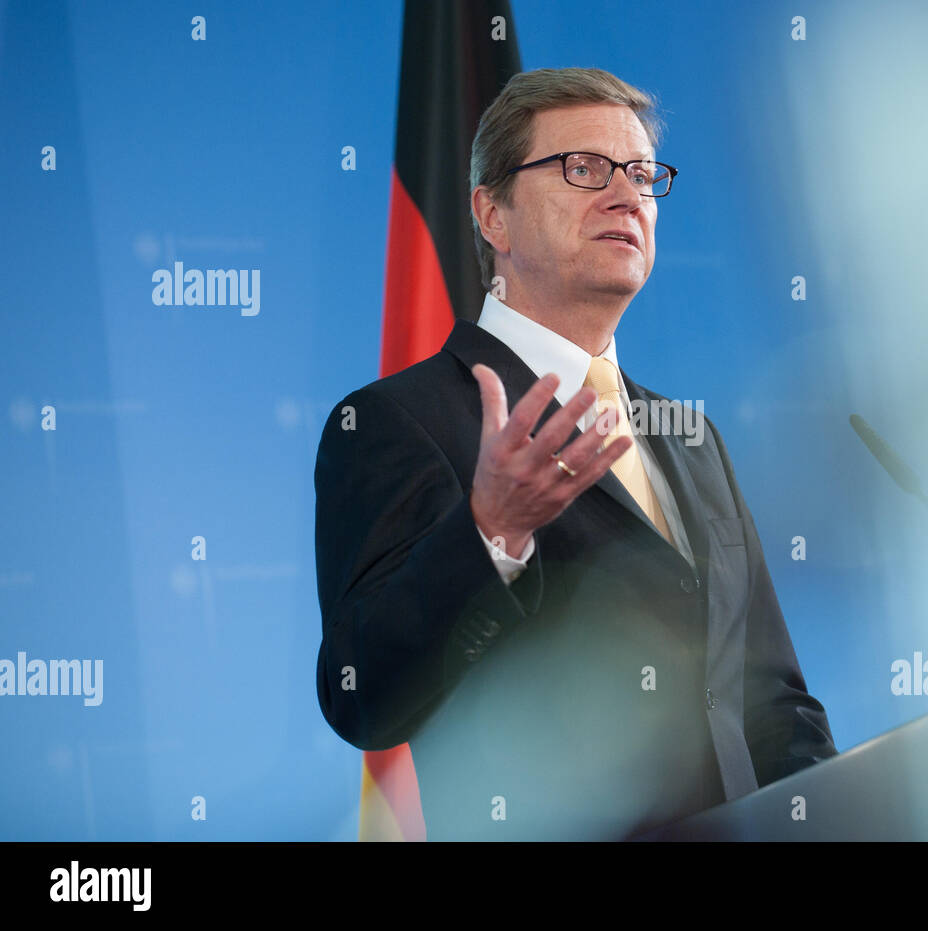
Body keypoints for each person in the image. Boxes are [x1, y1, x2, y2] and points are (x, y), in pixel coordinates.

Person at [314, 67, 836, 840]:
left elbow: (773, 700)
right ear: (493, 214)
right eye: (583, 169)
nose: (627, 196)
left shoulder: (693, 440)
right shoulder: (397, 422)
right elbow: (362, 697)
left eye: (642, 175)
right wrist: (489, 534)